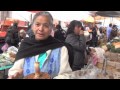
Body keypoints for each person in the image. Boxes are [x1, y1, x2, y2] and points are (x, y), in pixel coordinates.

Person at [8, 11, 72, 79]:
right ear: (32, 27)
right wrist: (15, 75)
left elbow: (66, 74)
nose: (41, 29)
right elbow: (15, 70)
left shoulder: (61, 48)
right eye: (37, 24)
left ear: (51, 29)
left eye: (46, 26)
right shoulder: (25, 45)